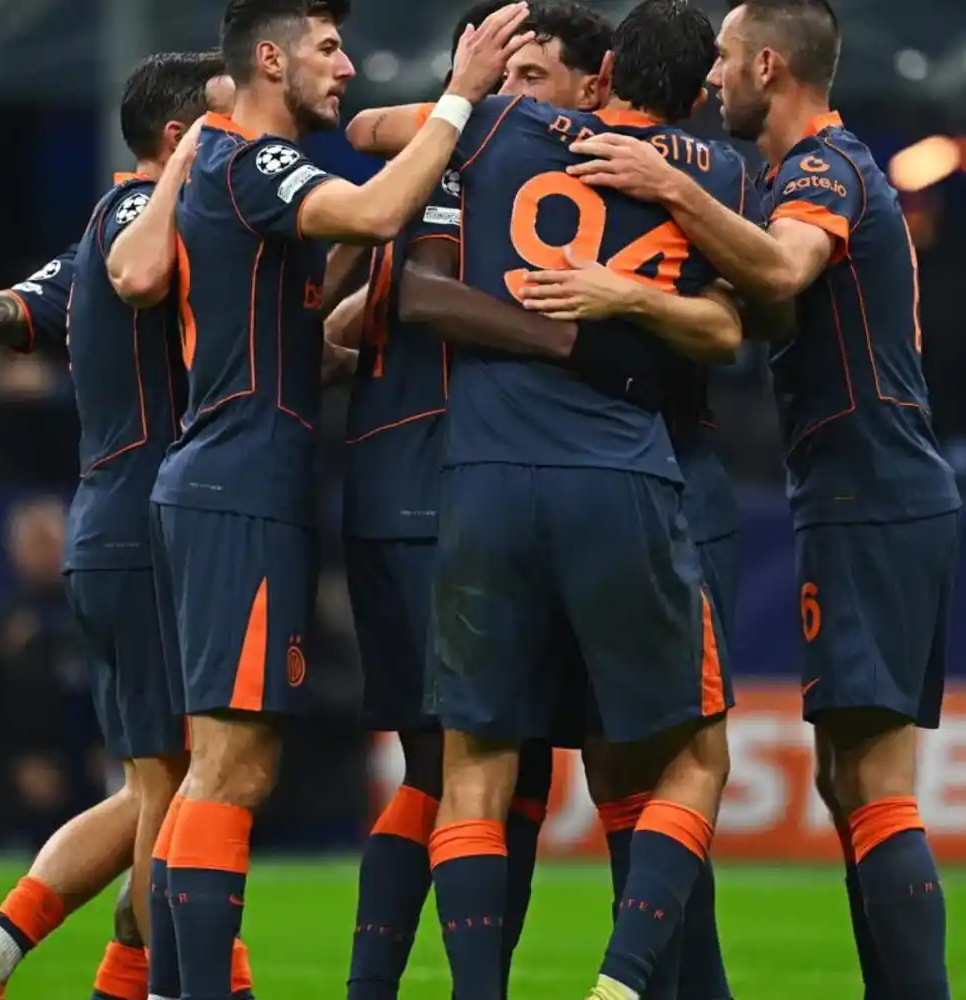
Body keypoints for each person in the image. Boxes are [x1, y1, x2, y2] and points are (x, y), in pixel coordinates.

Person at [566, 1, 962, 996]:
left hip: (872, 491)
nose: (710, 82)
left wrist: (663, 182)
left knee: (872, 782)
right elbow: (772, 298)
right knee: (846, 781)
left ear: (771, 67)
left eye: (728, 62)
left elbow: (782, 267)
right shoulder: (799, 176)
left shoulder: (823, 167)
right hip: (855, 490)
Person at [347, 4, 743, 998]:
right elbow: (743, 322)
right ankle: (622, 980)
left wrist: (466, 82)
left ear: (600, 72)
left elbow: (368, 131)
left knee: (470, 764)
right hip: (627, 470)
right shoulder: (716, 171)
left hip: (479, 478)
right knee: (684, 754)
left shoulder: (481, 134)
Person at [149, 4, 530, 999]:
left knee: (228, 766)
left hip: (246, 482)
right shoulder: (250, 162)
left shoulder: (236, 176)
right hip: (238, 489)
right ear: (269, 59)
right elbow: (368, 210)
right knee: (228, 768)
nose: (345, 66)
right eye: (325, 48)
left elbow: (300, 350)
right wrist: (461, 93)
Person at [0, 52, 243, 1000]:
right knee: (182, 796)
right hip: (152, 532)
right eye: (225, 120)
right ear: (183, 139)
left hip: (110, 525)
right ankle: (167, 984)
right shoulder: (156, 227)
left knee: (155, 788)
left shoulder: (103, 227)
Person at [0, 497, 99, 847]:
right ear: (13, 550)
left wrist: (113, 746)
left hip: (91, 764)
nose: (44, 552)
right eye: (34, 543)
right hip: (22, 775)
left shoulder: (94, 612)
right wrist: (17, 760)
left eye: (51, 540)